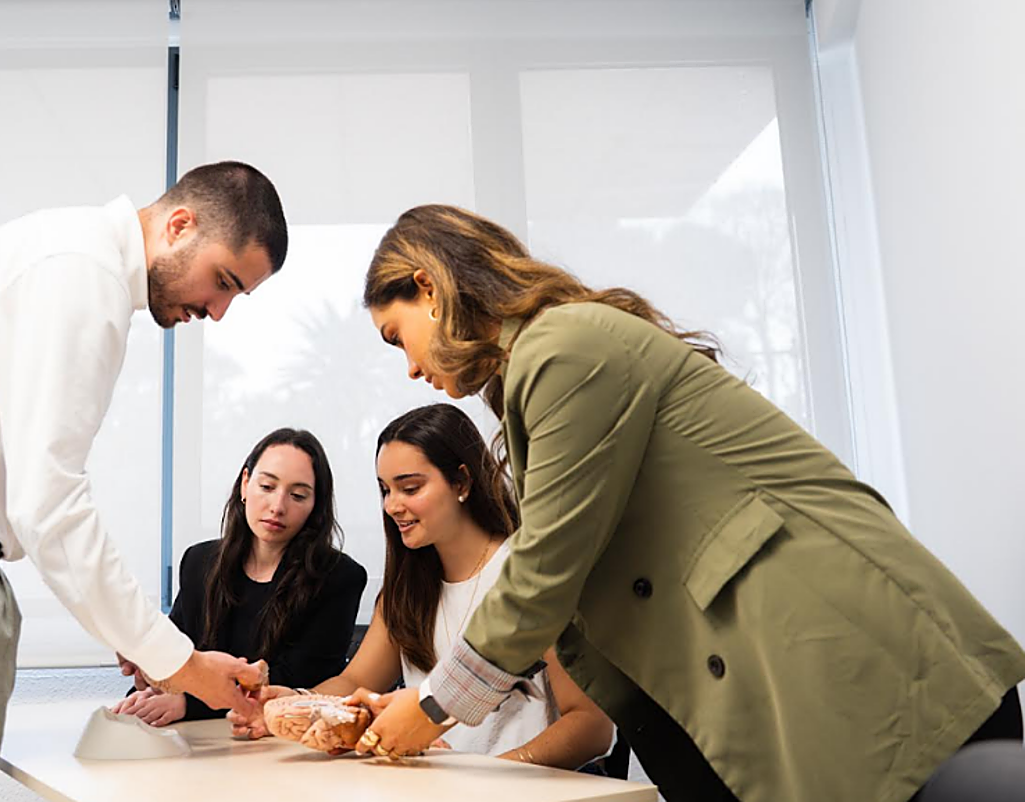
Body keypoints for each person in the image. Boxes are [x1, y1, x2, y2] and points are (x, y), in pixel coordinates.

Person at [353, 204, 1025, 802]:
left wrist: (433, 706)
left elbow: (549, 564)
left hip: (855, 658)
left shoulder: (563, 347)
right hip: (804, 676)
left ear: (428, 288)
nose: (409, 366)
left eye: (395, 336)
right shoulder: (552, 357)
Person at [0, 161, 285, 802]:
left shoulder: (62, 249)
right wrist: (182, 663)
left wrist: (134, 637)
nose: (218, 311)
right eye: (224, 281)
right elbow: (48, 502)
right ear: (180, 225)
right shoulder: (85, 274)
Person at [231, 404, 614, 770]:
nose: (392, 506)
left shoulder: (531, 577)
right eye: (385, 490)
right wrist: (296, 702)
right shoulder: (408, 588)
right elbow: (356, 681)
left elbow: (592, 728)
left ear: (462, 482)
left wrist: (487, 777)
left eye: (410, 488)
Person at [112, 428, 366, 726]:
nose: (278, 507)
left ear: (315, 505)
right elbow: (179, 656)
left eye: (298, 495)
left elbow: (298, 679)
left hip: (280, 738)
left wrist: (188, 703)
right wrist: (149, 681)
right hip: (197, 739)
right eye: (267, 486)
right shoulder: (199, 562)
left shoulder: (339, 578)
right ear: (245, 484)